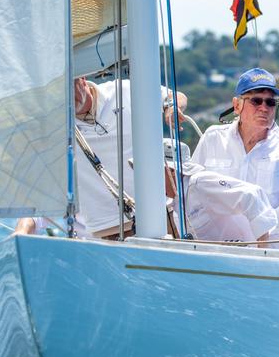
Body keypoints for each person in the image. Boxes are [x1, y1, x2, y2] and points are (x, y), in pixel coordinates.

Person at [16, 76, 186, 238]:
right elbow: (42, 193)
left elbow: (175, 95)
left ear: (82, 79)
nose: (65, 96)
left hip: (163, 218)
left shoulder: (122, 90)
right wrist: (21, 232)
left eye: (68, 87)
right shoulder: (56, 131)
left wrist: (170, 107)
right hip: (106, 233)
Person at [191, 68, 279, 246]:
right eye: (256, 101)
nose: (264, 108)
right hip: (213, 249)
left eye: (270, 102)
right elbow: (191, 191)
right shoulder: (212, 138)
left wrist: (258, 224)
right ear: (237, 105)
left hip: (266, 255)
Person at [162, 139, 277, 243]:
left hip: (241, 259)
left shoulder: (199, 183)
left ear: (172, 170)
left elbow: (251, 194)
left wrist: (263, 252)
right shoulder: (174, 204)